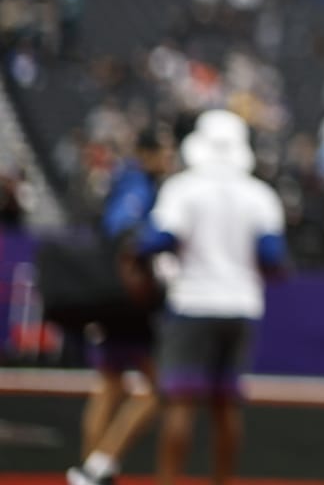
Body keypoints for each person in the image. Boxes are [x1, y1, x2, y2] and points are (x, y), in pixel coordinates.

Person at [138, 109, 286, 485]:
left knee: (181, 402)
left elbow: (158, 240)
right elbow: (272, 257)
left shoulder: (183, 188)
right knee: (226, 407)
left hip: (192, 303)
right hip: (241, 306)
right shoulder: (260, 195)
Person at [68, 127, 174, 485]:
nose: (168, 159)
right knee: (162, 386)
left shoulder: (127, 180)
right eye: (163, 152)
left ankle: (88, 470)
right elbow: (125, 234)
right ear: (146, 154)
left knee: (111, 383)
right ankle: (99, 463)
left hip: (110, 296)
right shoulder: (136, 185)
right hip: (127, 301)